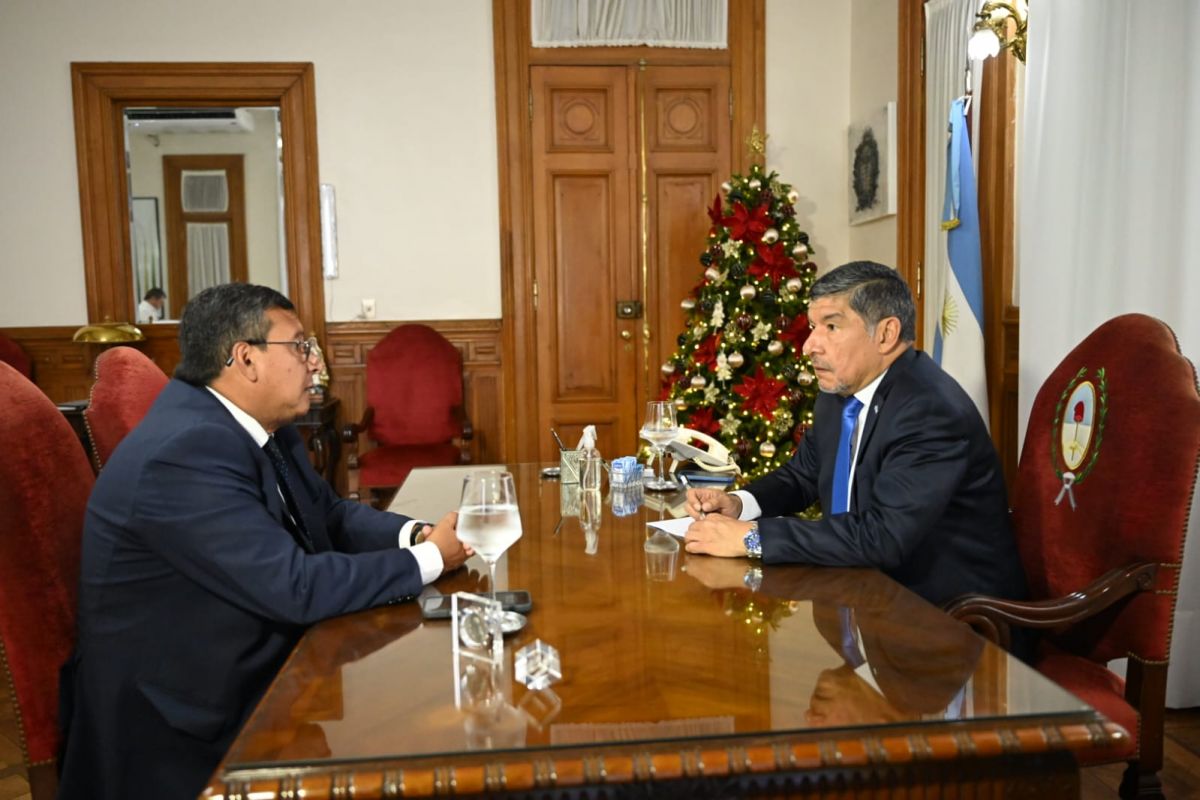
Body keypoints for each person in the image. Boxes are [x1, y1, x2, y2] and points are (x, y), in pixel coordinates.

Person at [57, 283, 471, 800]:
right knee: (428, 726)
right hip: (187, 720)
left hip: (255, 660)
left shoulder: (257, 425)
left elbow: (329, 515)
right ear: (246, 359)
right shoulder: (185, 452)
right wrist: (431, 559)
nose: (315, 362)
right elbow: (294, 587)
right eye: (299, 346)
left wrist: (415, 534)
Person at [683, 260, 1027, 609]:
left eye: (831, 326)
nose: (809, 346)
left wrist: (754, 538)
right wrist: (739, 504)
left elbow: (883, 536)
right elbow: (802, 476)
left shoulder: (930, 409)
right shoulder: (840, 394)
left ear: (886, 334)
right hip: (862, 594)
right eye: (814, 326)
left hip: (948, 616)